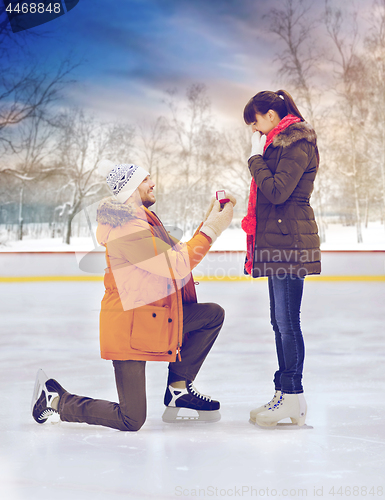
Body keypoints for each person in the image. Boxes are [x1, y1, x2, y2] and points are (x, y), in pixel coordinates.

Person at [31, 160, 236, 431]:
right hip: (129, 326)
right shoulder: (126, 229)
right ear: (130, 189)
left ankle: (178, 389)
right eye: (146, 179)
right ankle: (56, 399)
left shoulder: (144, 221)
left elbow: (177, 254)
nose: (153, 183)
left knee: (211, 315)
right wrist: (213, 230)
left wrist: (209, 221)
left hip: (152, 318)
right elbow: (175, 265)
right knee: (132, 419)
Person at [242, 90, 321, 427]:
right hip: (280, 240)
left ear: (271, 115)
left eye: (256, 123)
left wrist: (255, 161)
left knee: (288, 322)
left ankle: (292, 395)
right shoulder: (280, 145)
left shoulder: (297, 144)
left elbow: (277, 191)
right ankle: (286, 394)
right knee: (280, 322)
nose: (255, 132)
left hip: (290, 242)